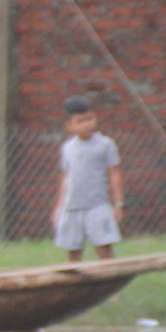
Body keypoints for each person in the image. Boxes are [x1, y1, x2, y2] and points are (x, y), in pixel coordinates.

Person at [50, 96, 125, 262]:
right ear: (69, 126)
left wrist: (118, 203)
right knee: (73, 253)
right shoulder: (67, 148)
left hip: (97, 206)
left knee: (104, 250)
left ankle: (111, 286)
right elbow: (65, 178)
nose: (87, 124)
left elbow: (114, 173)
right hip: (72, 208)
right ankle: (74, 288)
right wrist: (59, 208)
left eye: (90, 119)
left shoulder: (106, 144)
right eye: (80, 121)